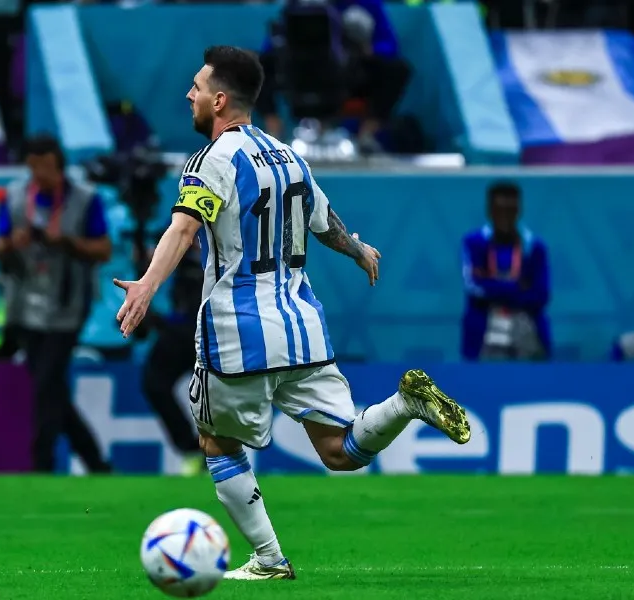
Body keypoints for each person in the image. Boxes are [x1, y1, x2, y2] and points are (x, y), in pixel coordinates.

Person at [112, 46, 471, 580]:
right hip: (302, 328)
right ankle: (402, 404)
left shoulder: (212, 159)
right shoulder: (288, 156)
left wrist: (146, 283)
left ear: (219, 98)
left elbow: (185, 227)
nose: (188, 94)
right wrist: (358, 250)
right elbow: (325, 222)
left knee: (215, 442)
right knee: (340, 450)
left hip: (238, 331)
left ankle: (268, 559)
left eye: (195, 86)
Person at [0, 135, 113, 474]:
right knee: (50, 387)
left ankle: (41, 464)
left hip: (68, 305)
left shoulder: (85, 199)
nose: (38, 175)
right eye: (31, 167)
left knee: (46, 383)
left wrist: (68, 243)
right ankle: (96, 462)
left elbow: (103, 249)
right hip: (25, 305)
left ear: (58, 164)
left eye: (43, 167)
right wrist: (10, 244)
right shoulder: (16, 196)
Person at [461, 182, 551, 361]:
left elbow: (541, 294)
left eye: (510, 210)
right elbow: (474, 287)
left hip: (525, 330)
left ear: (519, 210)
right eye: (499, 210)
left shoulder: (534, 246)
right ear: (490, 211)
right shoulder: (474, 243)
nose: (505, 217)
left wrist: (492, 285)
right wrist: (517, 287)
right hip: (485, 331)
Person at [140, 240, 203, 476]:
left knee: (217, 395)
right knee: (154, 384)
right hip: (181, 328)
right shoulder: (184, 219)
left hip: (216, 328)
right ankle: (192, 448)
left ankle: (220, 454)